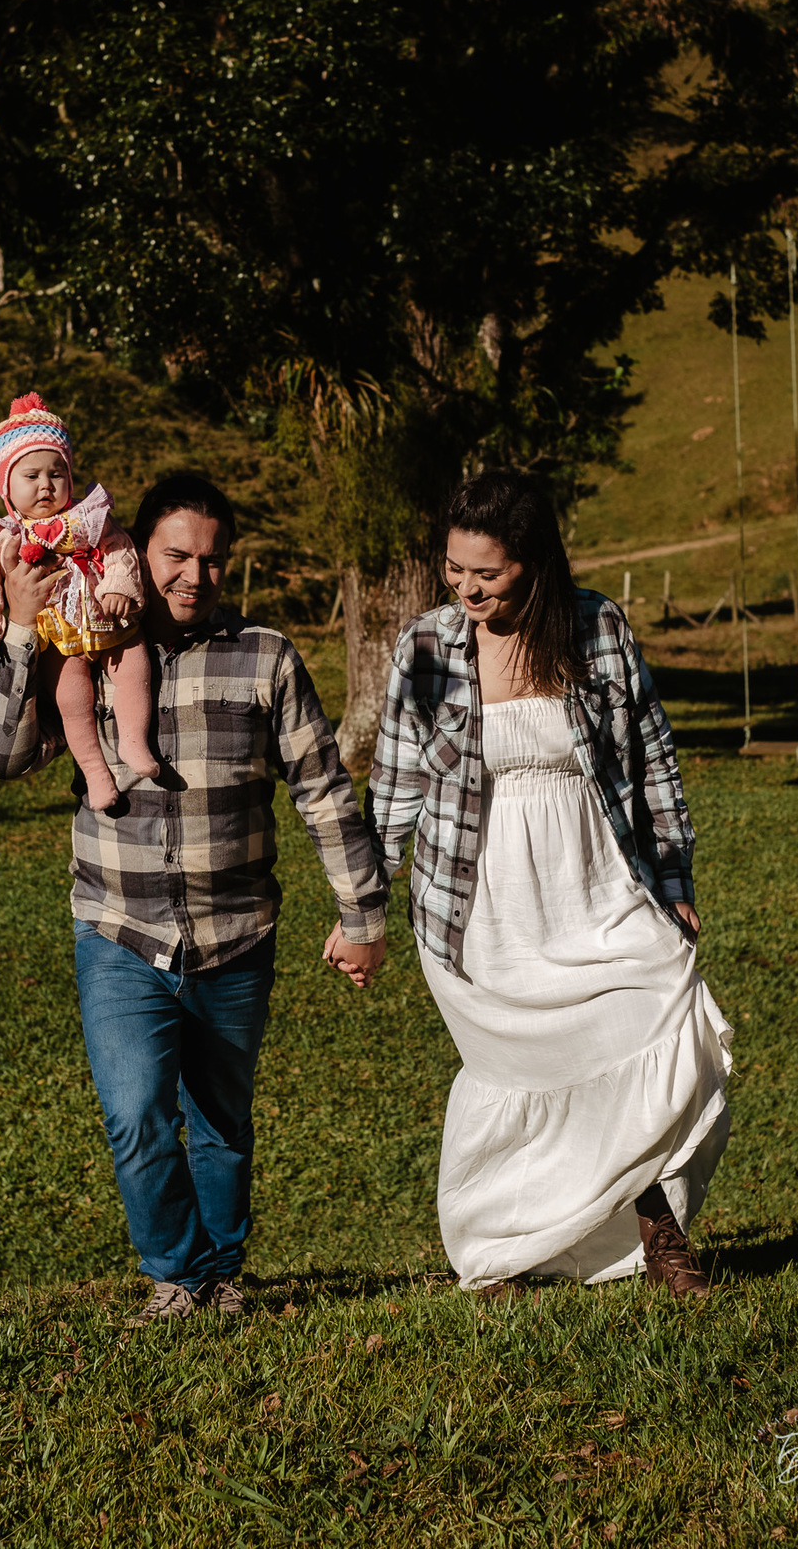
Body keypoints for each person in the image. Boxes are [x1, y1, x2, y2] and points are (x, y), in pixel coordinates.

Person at [0, 472, 388, 1323]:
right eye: (175, 556)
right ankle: (180, 1274)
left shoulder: (265, 655)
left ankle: (222, 1276)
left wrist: (362, 915)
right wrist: (20, 628)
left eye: (210, 560)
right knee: (136, 1118)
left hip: (237, 936)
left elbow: (321, 789)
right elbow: (3, 757)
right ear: (139, 549)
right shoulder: (81, 642)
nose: (192, 577)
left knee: (222, 1123)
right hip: (117, 931)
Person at [328, 469, 731, 1298]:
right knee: (518, 1074)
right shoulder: (429, 648)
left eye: (488, 572)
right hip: (476, 900)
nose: (468, 589)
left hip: (594, 876)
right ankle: (502, 1251)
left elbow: (650, 758)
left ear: (535, 562)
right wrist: (362, 911)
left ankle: (660, 1233)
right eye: (454, 569)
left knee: (658, 1017)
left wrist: (673, 876)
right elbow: (394, 791)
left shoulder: (596, 629)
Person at [0, 392, 158, 811]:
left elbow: (122, 550)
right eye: (31, 476)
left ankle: (136, 744)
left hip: (108, 620)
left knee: (136, 665)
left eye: (56, 473)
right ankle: (95, 771)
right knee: (71, 698)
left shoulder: (89, 517)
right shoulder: (2, 535)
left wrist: (119, 586)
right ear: (5, 487)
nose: (46, 485)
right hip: (57, 634)